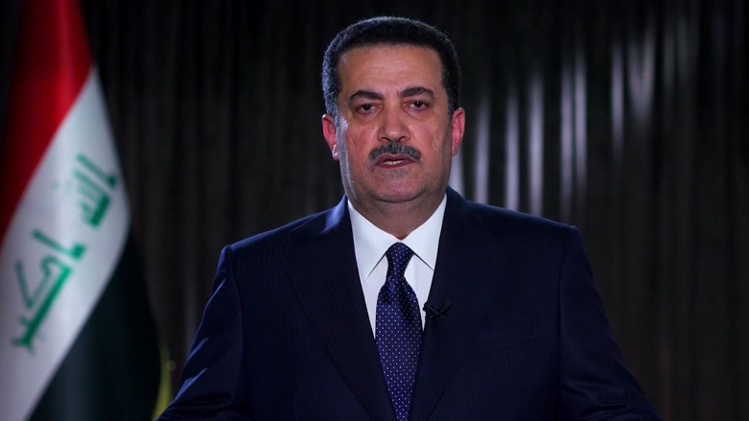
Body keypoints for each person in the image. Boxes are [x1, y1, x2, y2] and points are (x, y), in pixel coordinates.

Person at [159, 16, 659, 420]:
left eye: (417, 104)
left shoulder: (544, 261)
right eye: (367, 107)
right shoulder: (256, 274)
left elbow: (614, 413)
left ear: (455, 129)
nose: (393, 130)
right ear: (333, 135)